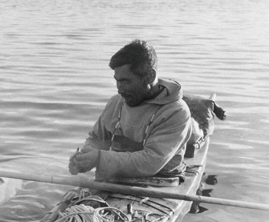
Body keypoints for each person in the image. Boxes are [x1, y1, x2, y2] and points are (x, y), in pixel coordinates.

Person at [69, 40, 195, 183]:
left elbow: (150, 162)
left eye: (125, 81)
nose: (119, 88)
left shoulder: (176, 112)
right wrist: (84, 157)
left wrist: (99, 158)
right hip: (116, 179)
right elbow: (96, 138)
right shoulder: (116, 102)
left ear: (150, 77)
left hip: (160, 182)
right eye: (117, 81)